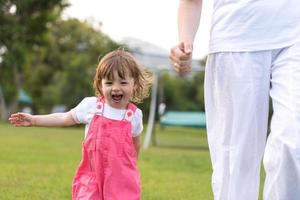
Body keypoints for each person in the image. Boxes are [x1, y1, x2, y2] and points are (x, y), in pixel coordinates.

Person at [170, 0, 300, 200]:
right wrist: (185, 40)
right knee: (235, 162)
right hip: (235, 38)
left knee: (294, 140)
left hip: (294, 37)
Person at [9, 49, 152, 200]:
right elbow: (64, 118)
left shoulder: (134, 116)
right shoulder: (91, 106)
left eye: (123, 82)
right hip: (92, 177)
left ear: (134, 84)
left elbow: (135, 144)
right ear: (100, 84)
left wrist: (128, 169)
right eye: (109, 83)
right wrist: (34, 120)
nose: (115, 88)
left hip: (120, 180)